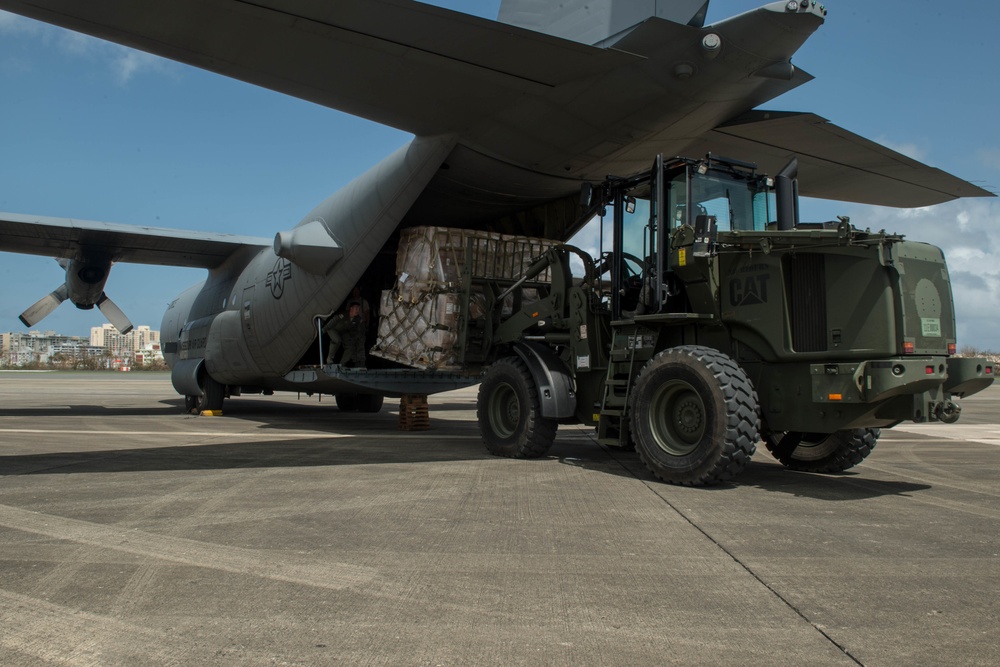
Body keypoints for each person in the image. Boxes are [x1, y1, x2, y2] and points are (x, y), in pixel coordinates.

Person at [324, 301, 367, 368]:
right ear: (351, 308)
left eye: (359, 308)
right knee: (337, 340)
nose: (358, 310)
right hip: (333, 329)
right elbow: (333, 321)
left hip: (343, 332)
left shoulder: (357, 318)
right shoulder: (343, 315)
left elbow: (355, 329)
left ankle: (342, 364)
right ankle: (329, 359)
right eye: (356, 308)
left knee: (350, 347)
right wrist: (324, 329)